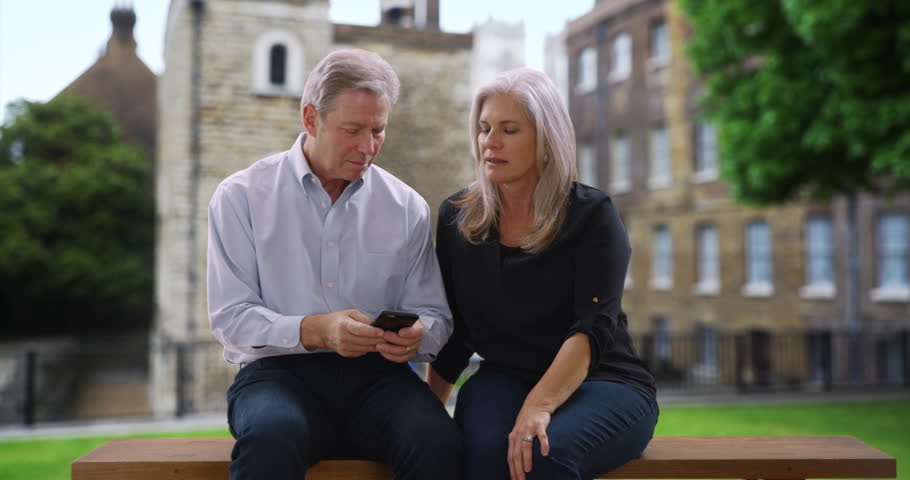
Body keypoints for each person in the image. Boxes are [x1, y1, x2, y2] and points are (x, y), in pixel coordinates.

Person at [207, 49, 462, 480]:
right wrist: (318, 330)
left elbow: (435, 318)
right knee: (272, 437)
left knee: (438, 441)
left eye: (378, 131)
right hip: (276, 375)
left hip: (381, 381)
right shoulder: (240, 198)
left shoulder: (407, 207)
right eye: (353, 130)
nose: (368, 147)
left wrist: (419, 335)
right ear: (311, 119)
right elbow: (231, 321)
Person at [427, 68, 658, 480]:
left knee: (543, 455)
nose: (490, 142)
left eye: (509, 130)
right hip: (504, 378)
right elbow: (455, 330)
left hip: (604, 382)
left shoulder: (592, 215)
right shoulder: (457, 218)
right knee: (478, 455)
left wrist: (538, 406)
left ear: (546, 139)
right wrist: (426, 412)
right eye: (484, 128)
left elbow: (591, 328)